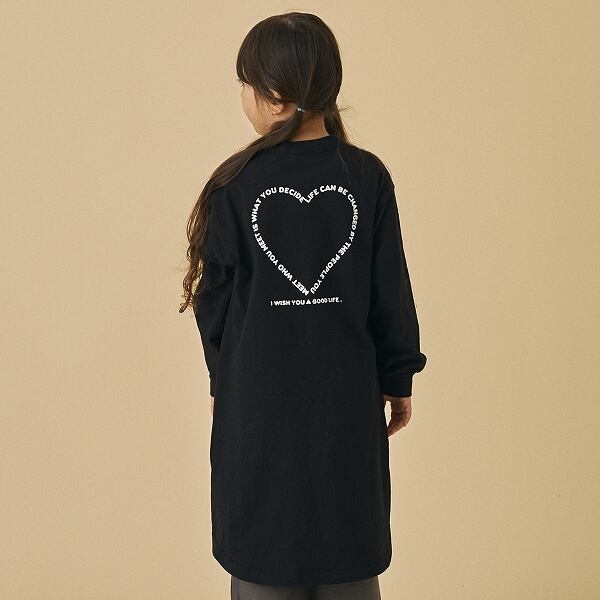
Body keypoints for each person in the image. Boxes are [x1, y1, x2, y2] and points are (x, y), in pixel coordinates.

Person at [179, 11, 427, 599]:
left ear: (273, 94)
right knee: (348, 554)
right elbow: (390, 292)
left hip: (256, 407)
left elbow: (214, 305)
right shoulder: (366, 176)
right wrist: (397, 379)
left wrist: (223, 379)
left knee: (261, 557)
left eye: (245, 82)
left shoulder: (234, 184)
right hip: (347, 403)